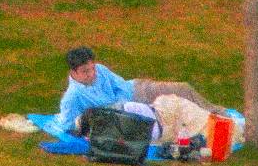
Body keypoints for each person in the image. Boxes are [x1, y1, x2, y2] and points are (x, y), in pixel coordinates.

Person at [57, 47, 213, 131]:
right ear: (73, 72)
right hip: (130, 112)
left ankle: (219, 114)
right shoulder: (73, 96)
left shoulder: (100, 70)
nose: (92, 74)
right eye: (85, 71)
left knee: (182, 89)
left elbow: (122, 86)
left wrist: (120, 105)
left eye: (92, 68)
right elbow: (66, 124)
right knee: (177, 111)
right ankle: (210, 123)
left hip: (136, 91)